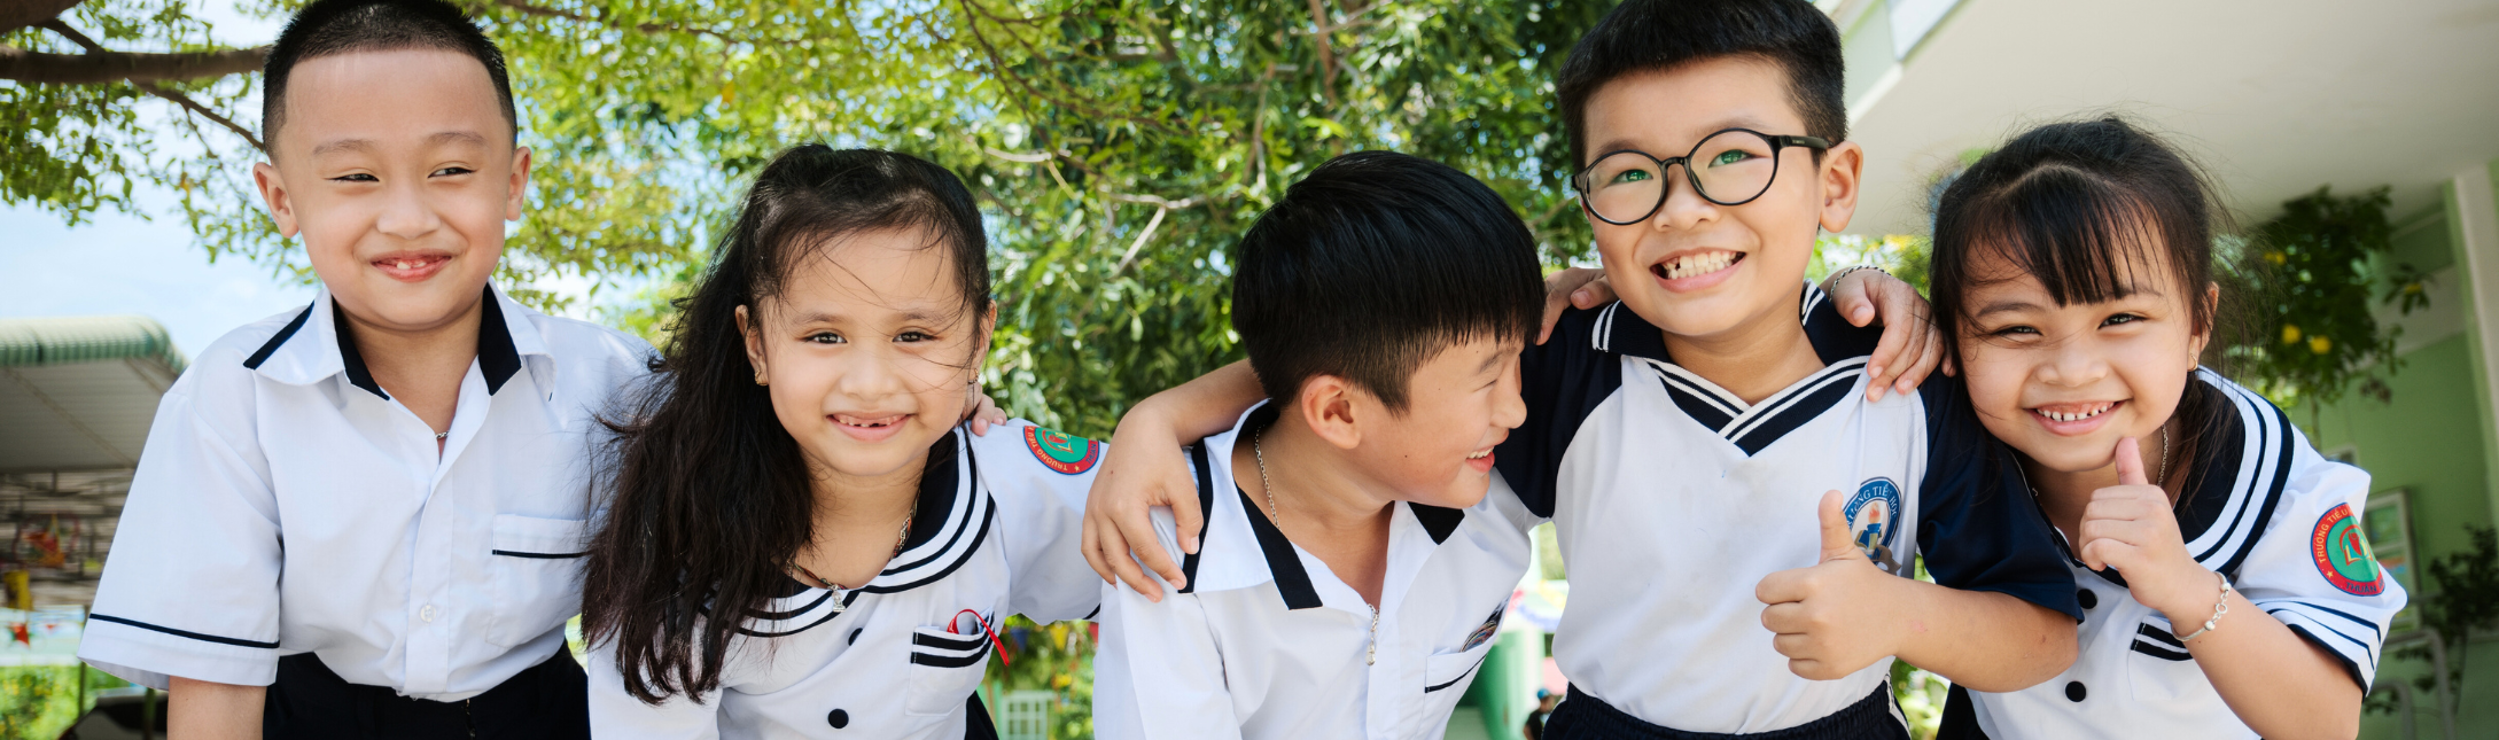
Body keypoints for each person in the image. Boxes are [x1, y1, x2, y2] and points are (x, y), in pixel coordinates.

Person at [1079, 2, 2085, 737]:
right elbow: (1356, 355)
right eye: (1631, 173)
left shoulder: (1908, 373)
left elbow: (2044, 631)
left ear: (1835, 183)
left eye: (1735, 155)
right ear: (1590, 197)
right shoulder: (1564, 359)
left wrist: (1902, 614)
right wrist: (1160, 417)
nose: (1682, 207)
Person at [76, 1, 650, 736]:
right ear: (281, 198)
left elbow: (670, 645)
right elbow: (215, 691)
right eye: (354, 176)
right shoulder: (233, 396)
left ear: (512, 181)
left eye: (451, 168)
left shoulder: (620, 383)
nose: (407, 217)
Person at [578, 146, 1097, 740]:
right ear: (757, 345)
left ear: (978, 339)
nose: (870, 384)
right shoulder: (675, 541)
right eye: (825, 336)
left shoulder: (1012, 482)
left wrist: (1160, 422)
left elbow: (1197, 547)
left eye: (914, 335)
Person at [1925, 118, 2404, 740]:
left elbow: (2328, 724)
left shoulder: (2275, 481)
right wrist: (1856, 296)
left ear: (2197, 324)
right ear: (1953, 338)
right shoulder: (1940, 444)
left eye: (2121, 317)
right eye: (2017, 328)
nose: (2073, 372)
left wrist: (2186, 589)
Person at [1090, 151, 1546, 740]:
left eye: (1520, 361)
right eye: (1488, 380)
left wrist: (1159, 413)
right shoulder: (1177, 554)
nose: (1517, 408)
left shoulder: (1490, 470)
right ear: (1337, 412)